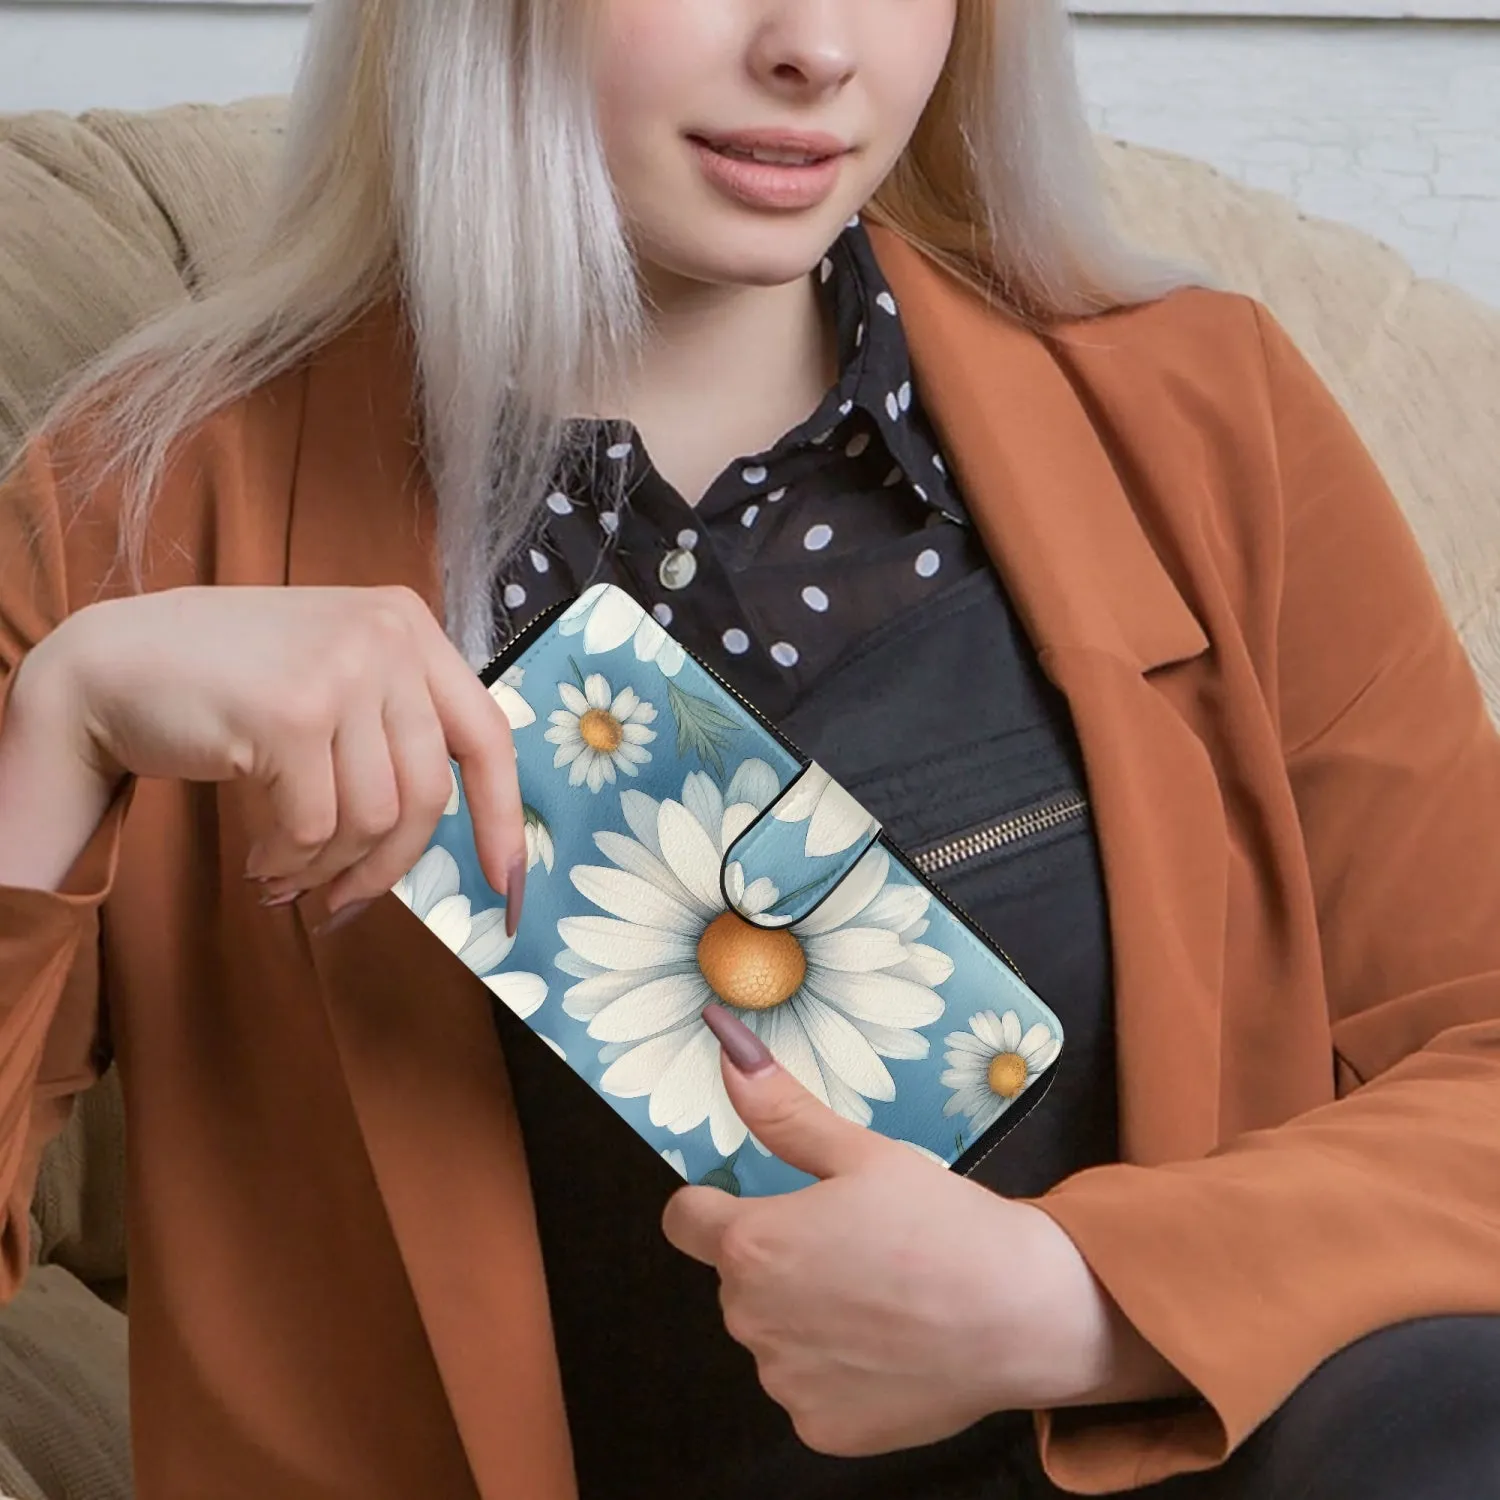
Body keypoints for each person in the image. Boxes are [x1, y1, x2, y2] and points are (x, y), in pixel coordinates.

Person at [0, 0, 1497, 1497]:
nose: (817, 47)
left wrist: (1083, 1299)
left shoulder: (1204, 415)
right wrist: (61, 733)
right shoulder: (140, 510)